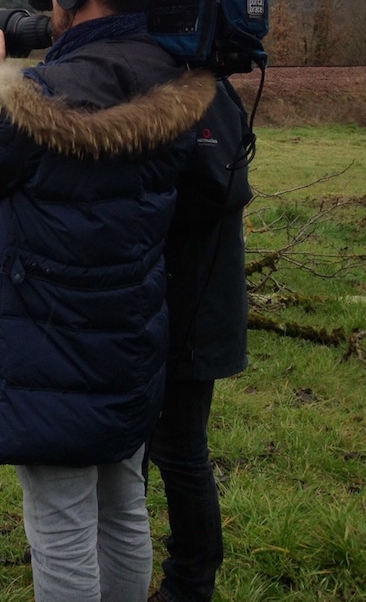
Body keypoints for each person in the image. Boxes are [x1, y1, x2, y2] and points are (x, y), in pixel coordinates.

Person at [0, 0, 215, 601]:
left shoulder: (41, 93)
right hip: (128, 336)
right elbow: (78, 192)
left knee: (60, 529)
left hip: (49, 347)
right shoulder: (172, 79)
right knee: (122, 505)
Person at [147, 78, 253, 602]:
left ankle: (190, 582)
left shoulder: (201, 92)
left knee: (181, 448)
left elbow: (215, 186)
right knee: (140, 445)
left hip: (192, 308)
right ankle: (117, 552)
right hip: (171, 302)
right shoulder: (203, 87)